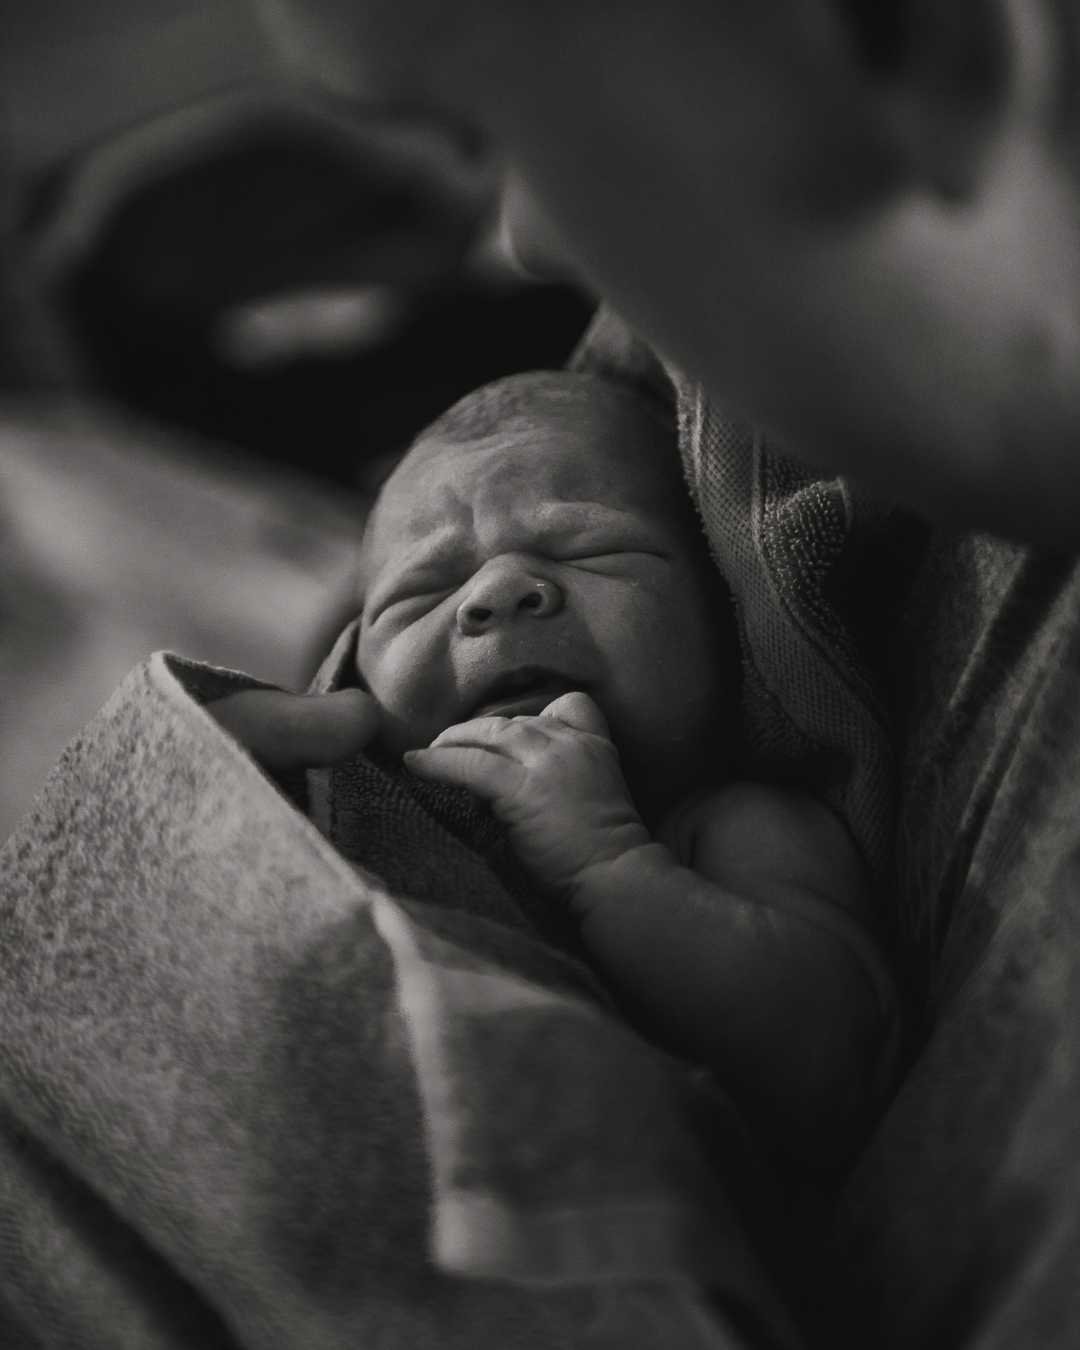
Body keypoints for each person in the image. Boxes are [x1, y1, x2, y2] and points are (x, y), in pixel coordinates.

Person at [219, 371, 897, 1171]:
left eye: (589, 547)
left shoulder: (730, 828)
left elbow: (832, 1062)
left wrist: (611, 862)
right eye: (421, 593)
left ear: (726, 615)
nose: (498, 592)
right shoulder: (360, 809)